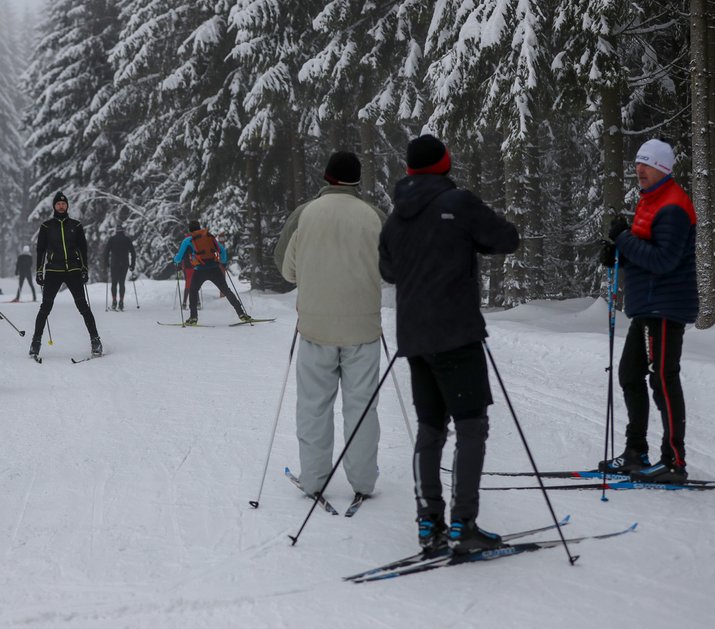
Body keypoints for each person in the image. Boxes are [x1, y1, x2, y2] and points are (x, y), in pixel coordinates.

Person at [378, 135, 519, 554]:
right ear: (445, 164)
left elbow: (388, 270)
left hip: (416, 338)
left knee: (431, 427)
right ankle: (463, 526)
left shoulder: (395, 217)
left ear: (408, 170)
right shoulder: (458, 203)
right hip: (457, 334)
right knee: (471, 426)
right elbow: (505, 239)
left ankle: (429, 524)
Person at [277, 151, 386, 502]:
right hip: (364, 330)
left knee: (313, 406)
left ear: (326, 177)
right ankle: (363, 482)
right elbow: (390, 270)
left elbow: (286, 269)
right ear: (357, 180)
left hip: (315, 328)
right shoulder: (374, 216)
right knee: (362, 407)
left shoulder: (305, 214)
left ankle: (313, 481)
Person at [597, 139, 697, 484]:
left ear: (664, 169)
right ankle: (635, 452)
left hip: (665, 306)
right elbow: (645, 249)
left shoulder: (672, 206)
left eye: (647, 164)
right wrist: (616, 253)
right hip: (648, 306)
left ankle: (674, 461)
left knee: (663, 379)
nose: (639, 169)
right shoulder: (650, 203)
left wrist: (623, 240)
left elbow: (663, 260)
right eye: (638, 164)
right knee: (629, 374)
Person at [29, 191, 102, 358]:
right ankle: (35, 342)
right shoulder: (46, 226)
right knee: (45, 308)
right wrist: (39, 271)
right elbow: (40, 250)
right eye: (58, 204)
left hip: (73, 270)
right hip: (53, 270)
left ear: (67, 206)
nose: (61, 206)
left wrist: (84, 268)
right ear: (54, 206)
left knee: (83, 306)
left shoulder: (75, 226)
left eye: (63, 204)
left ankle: (95, 340)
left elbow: (82, 248)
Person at [172, 221, 250, 325]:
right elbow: (222, 251)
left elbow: (179, 257)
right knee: (226, 290)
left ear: (190, 230)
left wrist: (175, 260)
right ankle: (241, 314)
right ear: (199, 228)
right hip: (214, 268)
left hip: (199, 270)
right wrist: (222, 261)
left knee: (193, 291)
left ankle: (193, 317)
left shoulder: (188, 240)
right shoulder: (209, 236)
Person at [104, 226, 136, 310]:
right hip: (124, 264)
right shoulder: (127, 239)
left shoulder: (112, 239)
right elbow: (133, 252)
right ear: (123, 231)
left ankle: (114, 301)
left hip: (114, 264)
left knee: (114, 283)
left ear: (116, 231)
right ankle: (121, 302)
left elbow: (106, 252)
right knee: (122, 283)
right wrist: (132, 265)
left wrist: (106, 263)